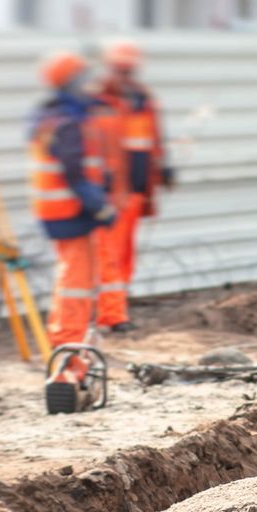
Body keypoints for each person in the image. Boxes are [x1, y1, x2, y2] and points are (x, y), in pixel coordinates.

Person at [29, 50, 112, 386]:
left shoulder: (55, 117)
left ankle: (70, 352)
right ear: (71, 82)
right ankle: (67, 360)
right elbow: (74, 173)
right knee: (74, 287)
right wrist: (100, 206)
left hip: (63, 212)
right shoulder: (66, 123)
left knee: (75, 283)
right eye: (84, 78)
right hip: (70, 212)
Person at [92, 39, 172, 333]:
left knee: (125, 254)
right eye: (119, 70)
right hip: (110, 193)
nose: (125, 77)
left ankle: (118, 307)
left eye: (129, 71)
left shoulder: (143, 100)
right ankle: (111, 315)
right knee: (108, 254)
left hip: (138, 190)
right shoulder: (98, 102)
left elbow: (154, 139)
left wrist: (164, 166)